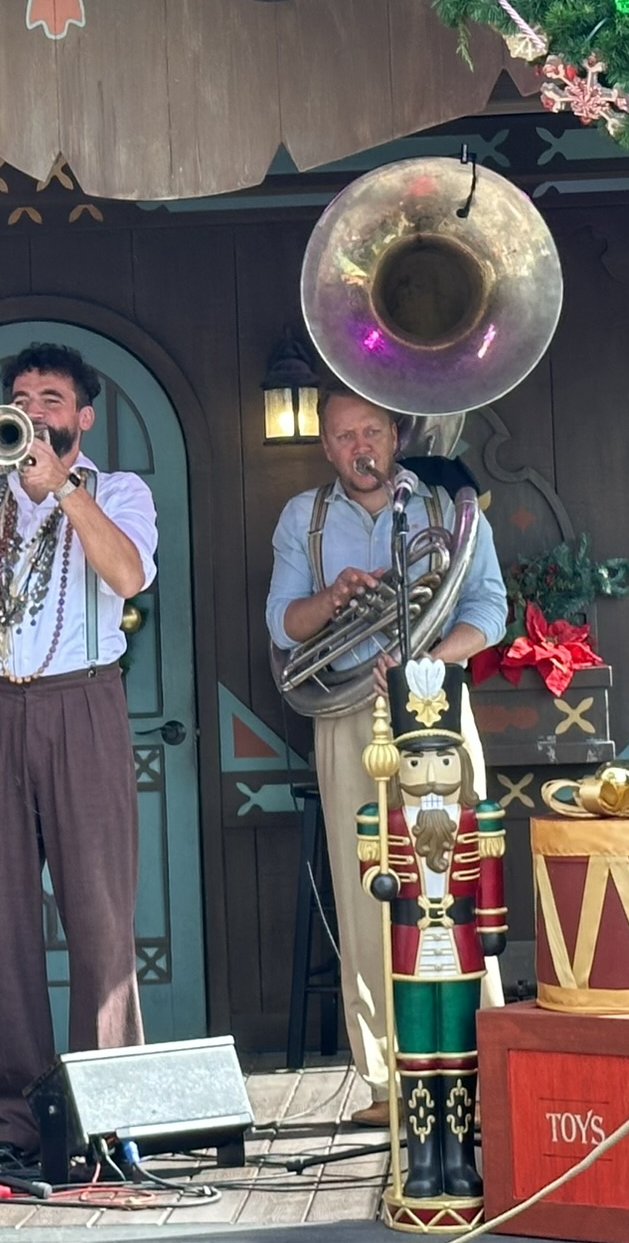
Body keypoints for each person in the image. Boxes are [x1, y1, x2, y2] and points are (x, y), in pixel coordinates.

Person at [0, 342, 158, 1165]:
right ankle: (11, 1123)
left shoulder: (119, 489)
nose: (37, 409)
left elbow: (128, 576)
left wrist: (66, 492)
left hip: (81, 701)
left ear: (85, 414)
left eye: (53, 397)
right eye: (22, 396)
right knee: (2, 918)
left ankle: (106, 1116)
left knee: (98, 916)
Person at [264, 389, 505, 1127]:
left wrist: (422, 659)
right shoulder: (301, 519)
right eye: (343, 437)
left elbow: (489, 612)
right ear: (327, 448)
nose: (359, 446)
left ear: (396, 434)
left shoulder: (446, 510)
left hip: (434, 707)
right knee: (369, 884)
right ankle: (385, 1081)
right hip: (346, 715)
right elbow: (283, 620)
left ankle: (481, 1067)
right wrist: (335, 599)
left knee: (459, 882)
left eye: (370, 431)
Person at [357, 658, 504, 1203]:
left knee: (459, 1053)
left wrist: (492, 929)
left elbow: (488, 882)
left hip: (460, 947)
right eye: (417, 761)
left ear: (460, 761)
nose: (432, 771)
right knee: (419, 1053)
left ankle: (460, 1159)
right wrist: (379, 881)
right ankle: (422, 1160)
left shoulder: (477, 819)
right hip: (412, 948)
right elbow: (372, 874)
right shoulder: (382, 820)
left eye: (445, 758)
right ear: (398, 766)